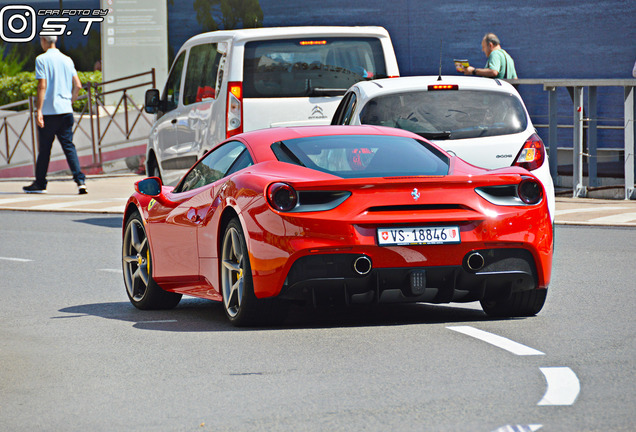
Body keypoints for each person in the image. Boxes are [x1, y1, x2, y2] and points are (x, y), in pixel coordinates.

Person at [23, 35, 87, 194]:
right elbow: (78, 85)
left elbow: (42, 86)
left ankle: (40, 183)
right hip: (65, 111)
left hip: (49, 112)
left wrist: (39, 110)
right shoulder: (67, 59)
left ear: (44, 41)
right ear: (55, 41)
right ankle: (80, 181)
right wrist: (69, 102)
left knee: (44, 150)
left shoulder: (41, 59)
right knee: (69, 147)